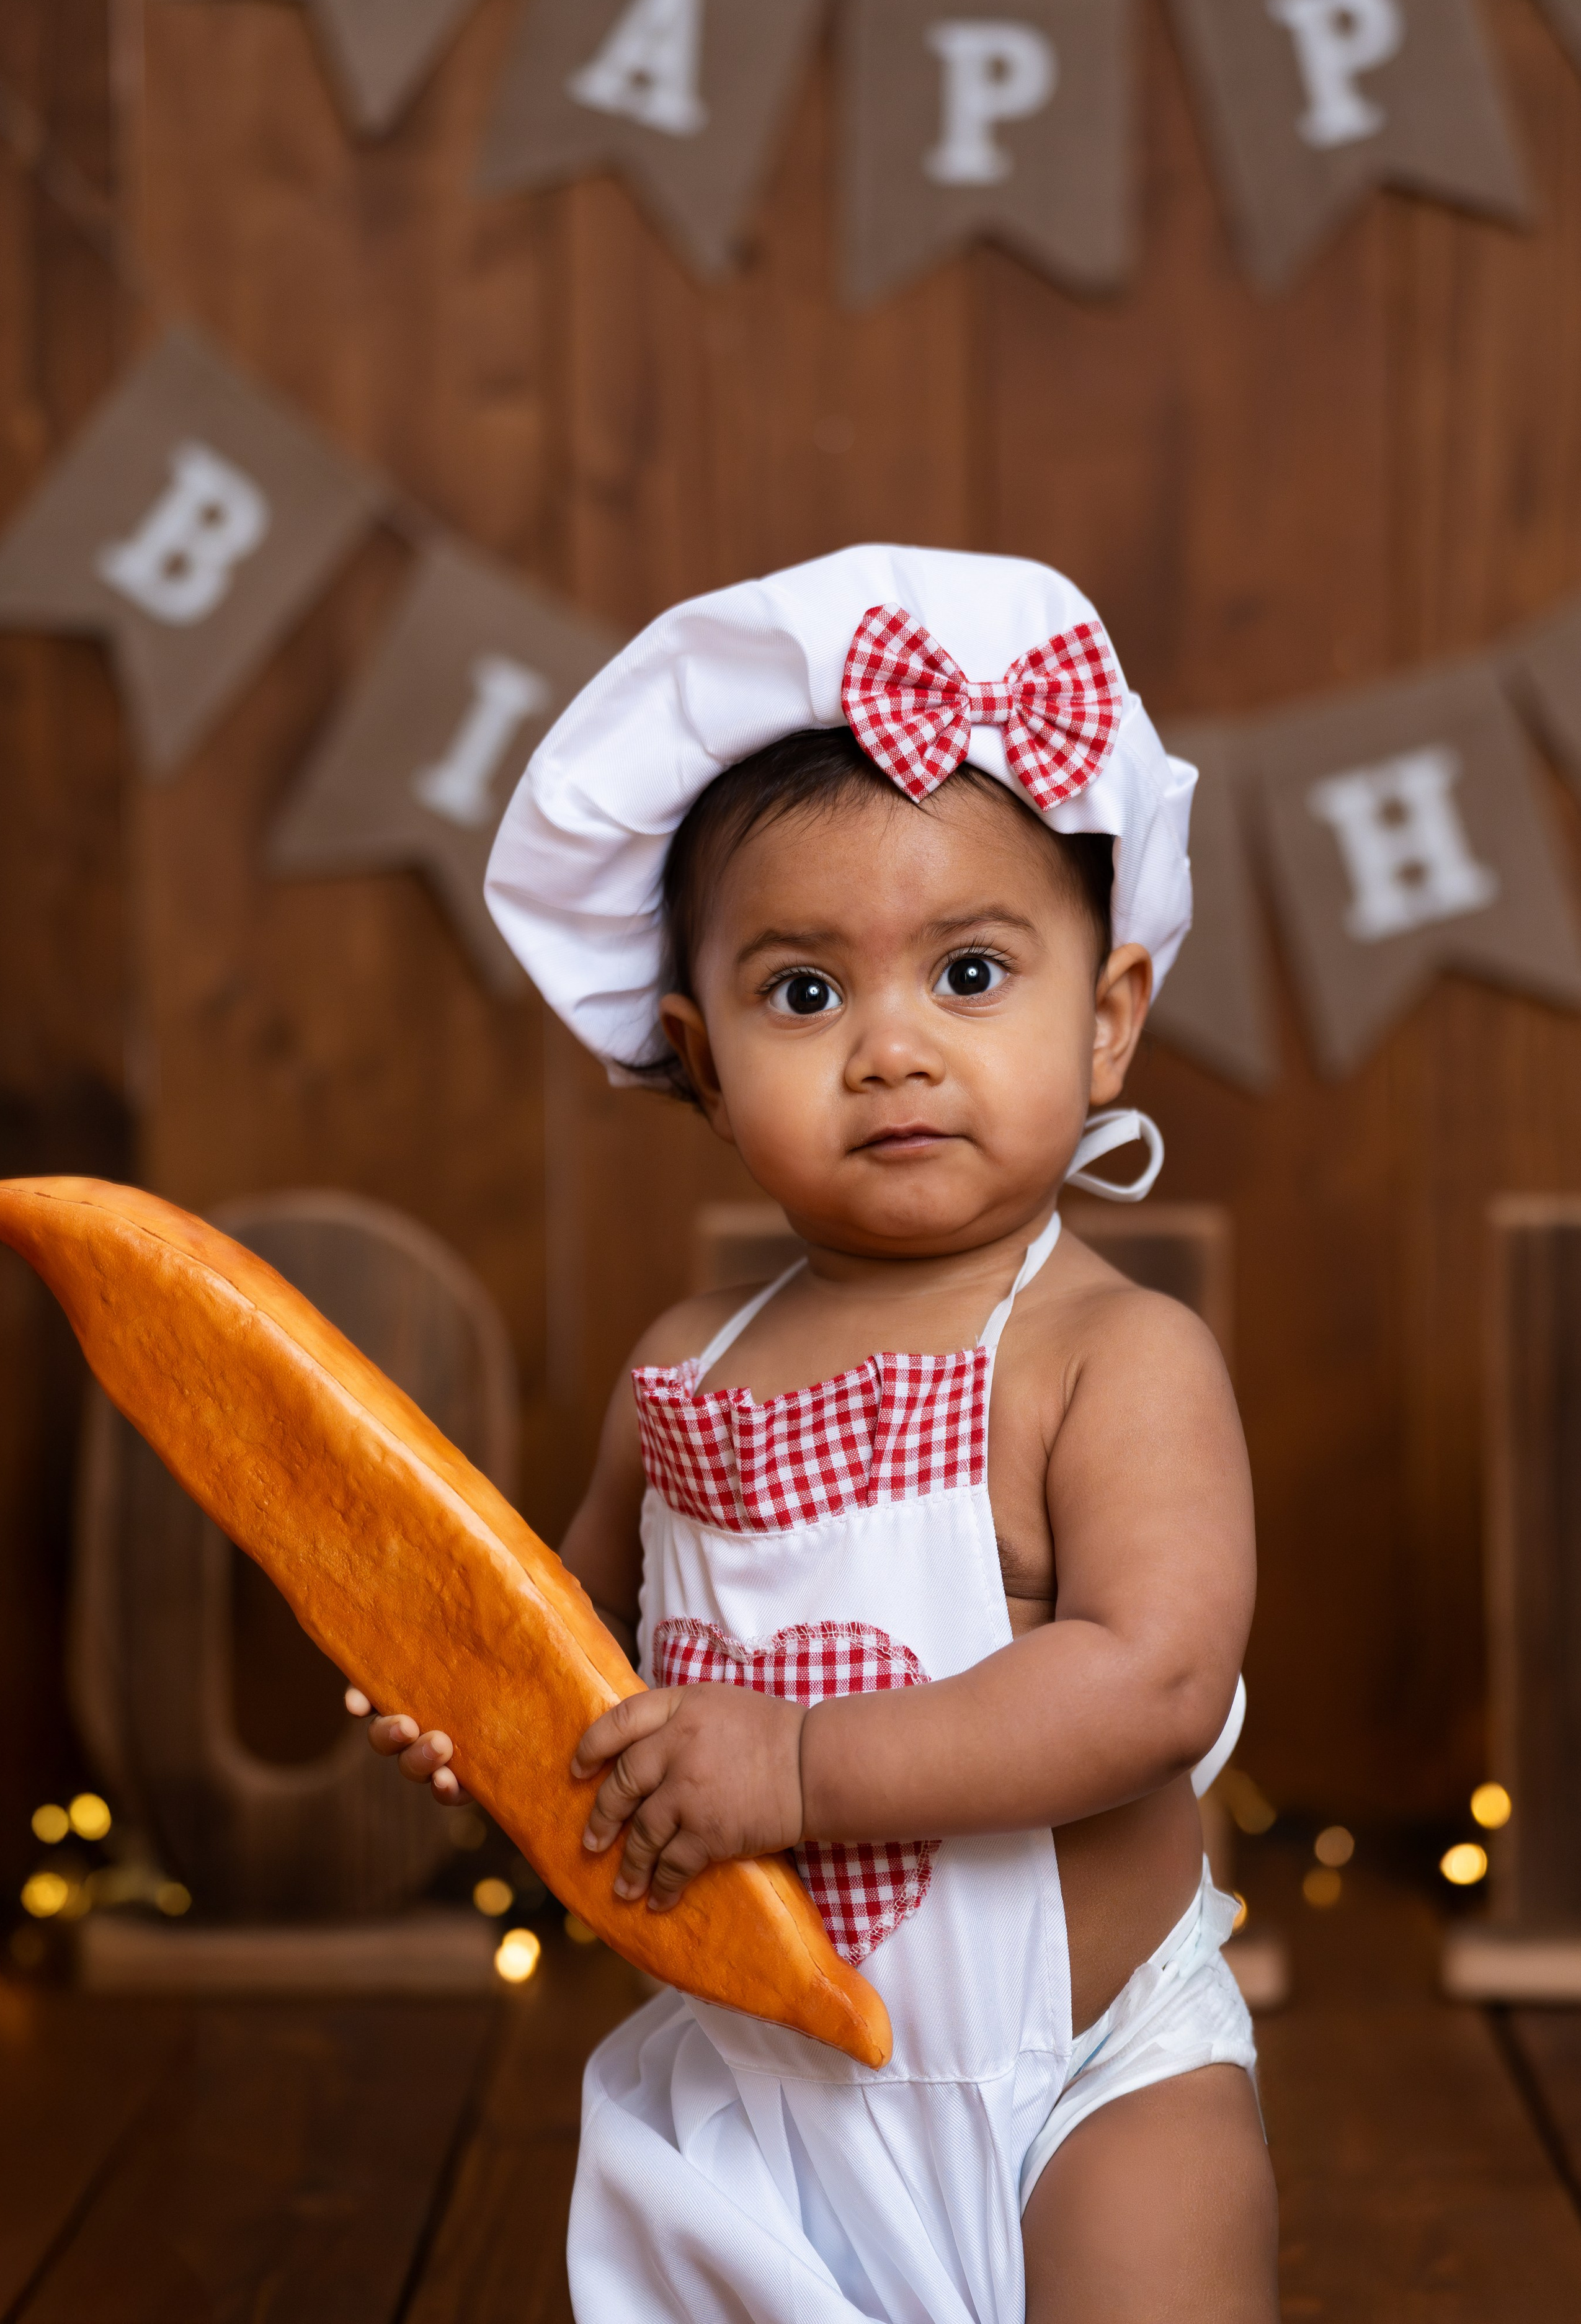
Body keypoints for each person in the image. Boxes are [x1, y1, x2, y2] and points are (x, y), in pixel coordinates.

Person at [350, 546, 1275, 2322]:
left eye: (974, 972)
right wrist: (473, 1698)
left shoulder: (1110, 1357)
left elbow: (1153, 1681)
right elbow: (575, 1645)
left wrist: (795, 1768)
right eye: (803, 994)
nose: (892, 1049)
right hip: (766, 2077)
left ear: (1108, 1021)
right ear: (698, 1062)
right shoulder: (683, 1366)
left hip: (1086, 2077)